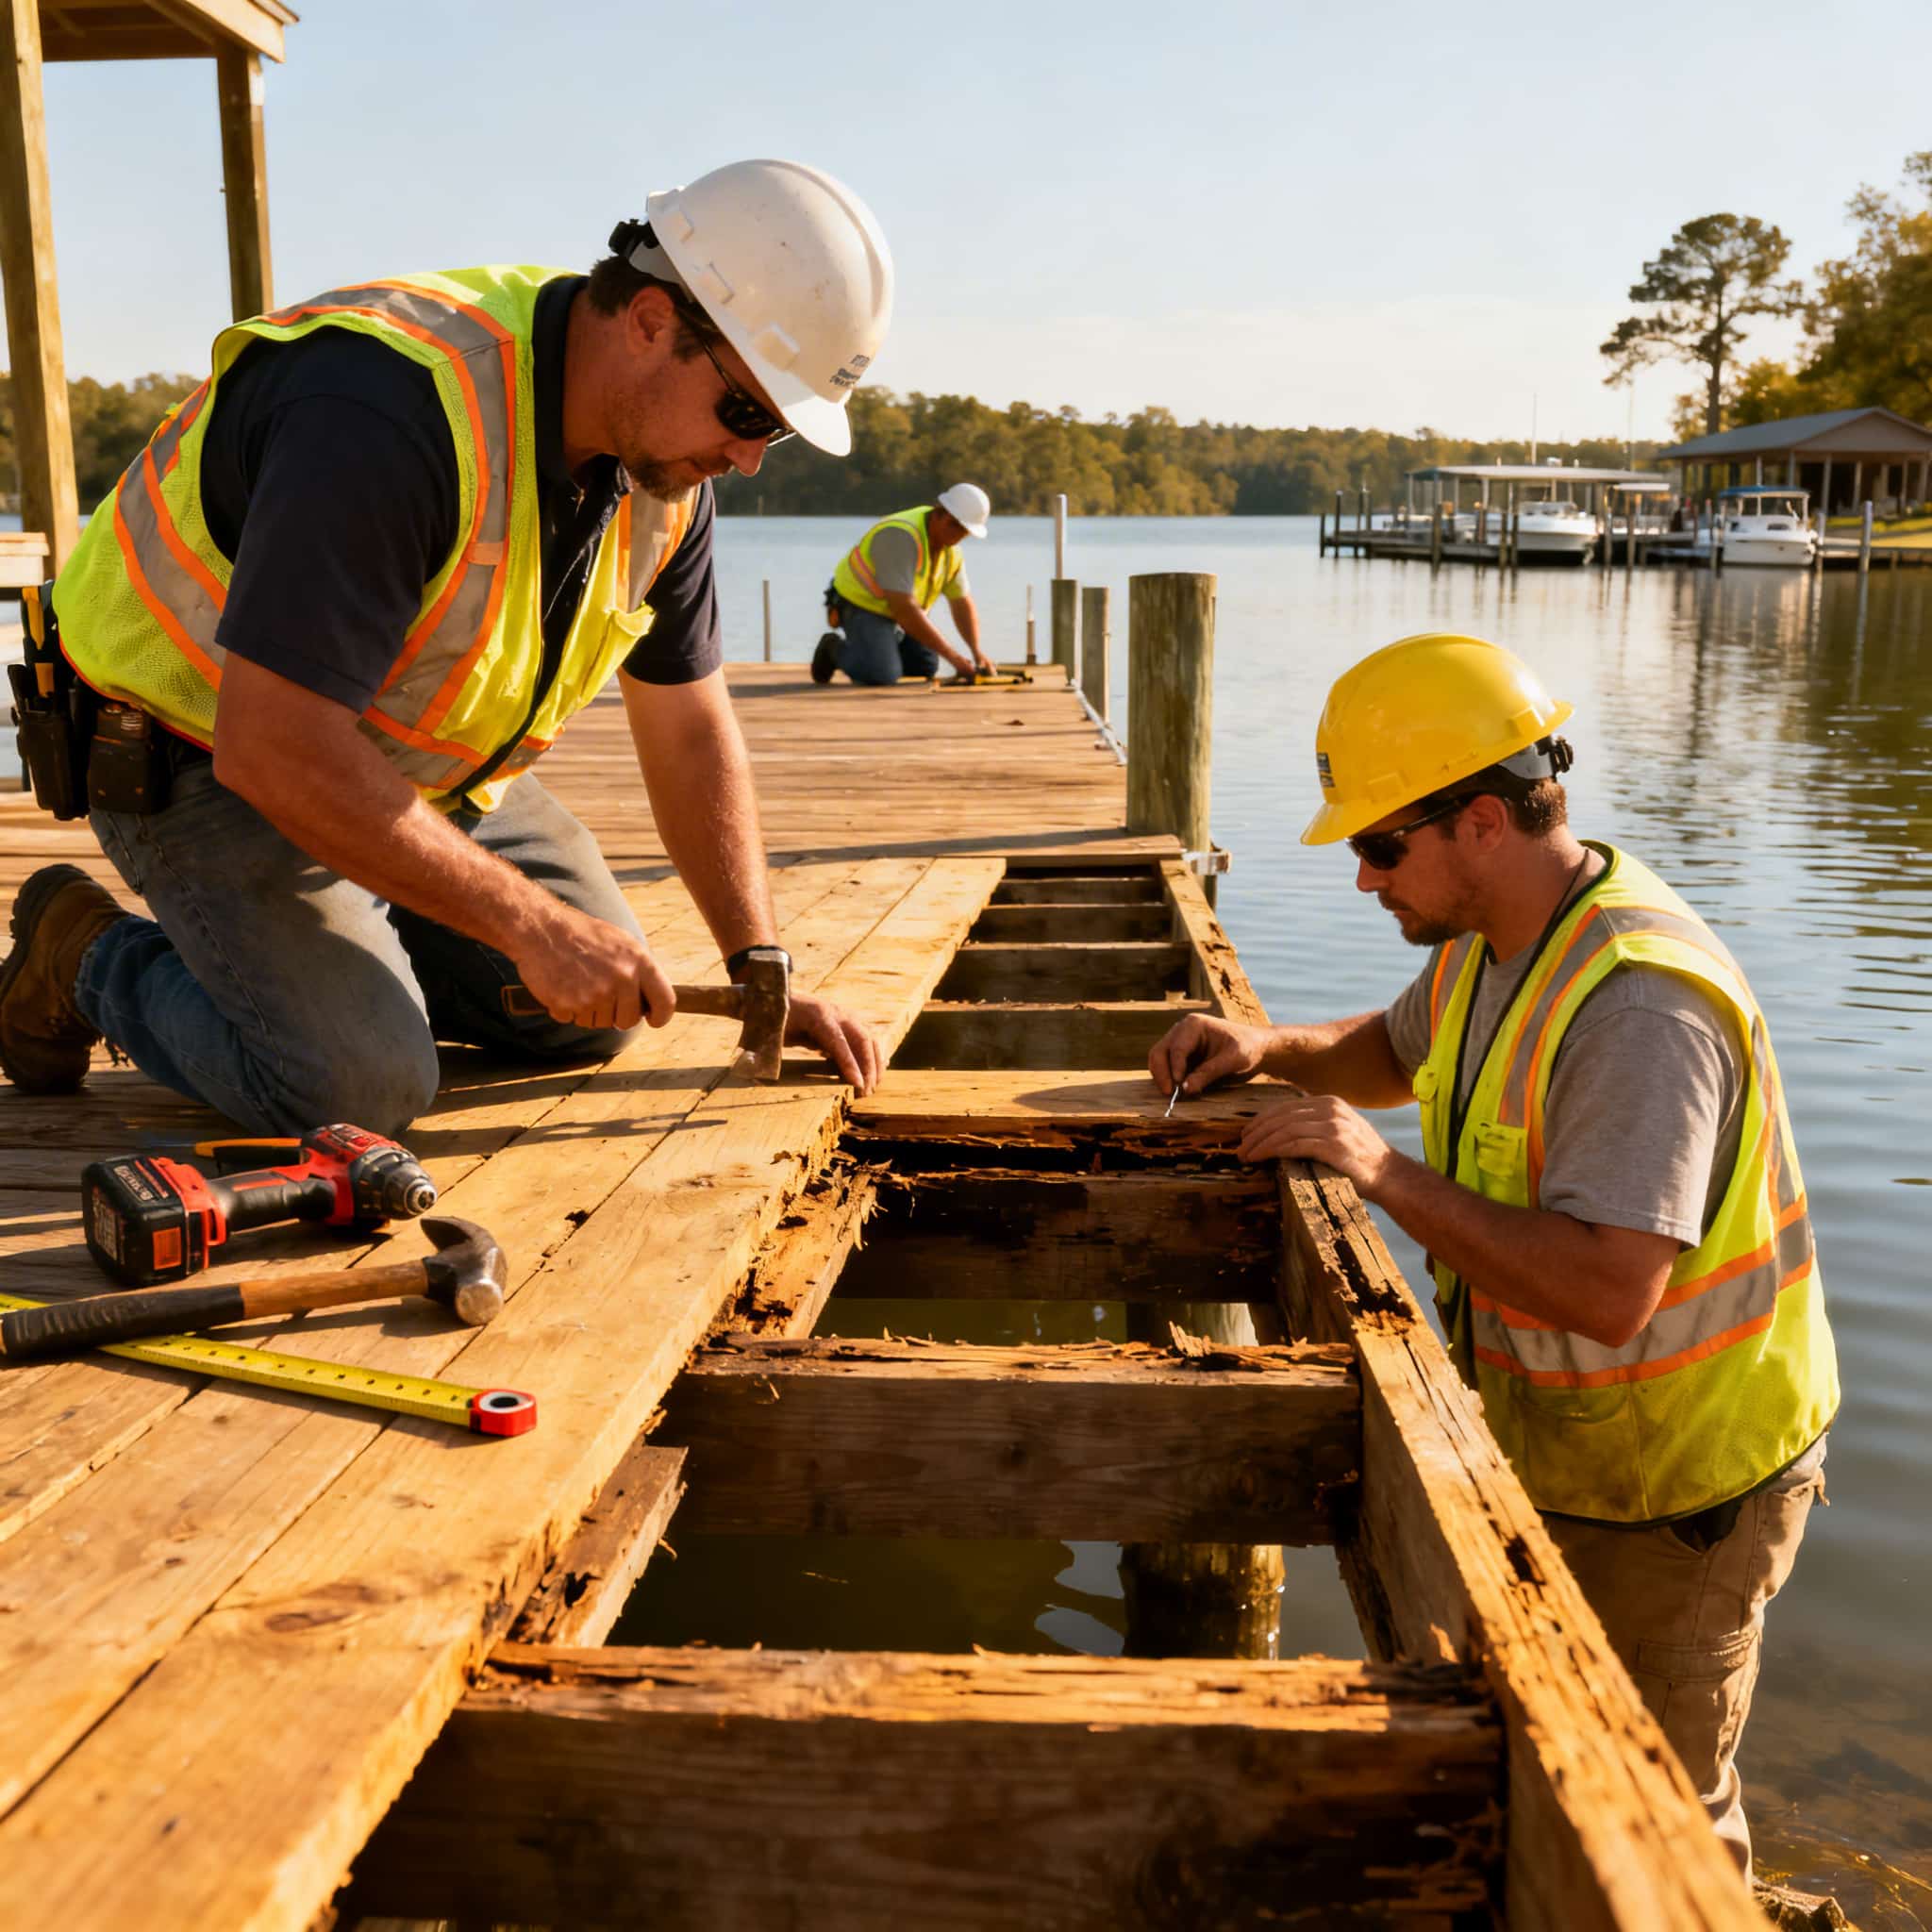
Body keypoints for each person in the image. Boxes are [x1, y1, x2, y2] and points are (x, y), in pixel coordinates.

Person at [0, 158, 895, 1134]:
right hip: (197, 752)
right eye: (749, 411)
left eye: (780, 433)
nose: (752, 456)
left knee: (586, 1020)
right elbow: (275, 745)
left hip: (405, 766)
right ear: (649, 320)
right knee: (357, 1086)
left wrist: (757, 964)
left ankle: (366, 950)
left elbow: (688, 729)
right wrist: (529, 924)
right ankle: (82, 949)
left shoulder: (667, 477)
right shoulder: (385, 407)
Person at [1149, 632, 1838, 1879]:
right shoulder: (1490, 942)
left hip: (1683, 1487)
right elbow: (1397, 1053)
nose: (1364, 882)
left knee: (1654, 1823)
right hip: (1570, 1451)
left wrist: (1381, 1172)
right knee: (1544, 1772)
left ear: (1477, 820)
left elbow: (1607, 1291)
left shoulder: (1637, 1003)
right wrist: (1267, 1046)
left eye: (1377, 846)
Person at [813, 484, 993, 685]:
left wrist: (976, 652)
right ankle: (833, 649)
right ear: (938, 513)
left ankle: (883, 648)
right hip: (859, 605)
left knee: (924, 666)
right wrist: (955, 659)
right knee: (881, 674)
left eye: (965, 530)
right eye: (954, 524)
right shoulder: (899, 536)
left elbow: (961, 602)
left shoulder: (951, 552)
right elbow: (904, 609)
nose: (958, 534)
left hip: (895, 612)